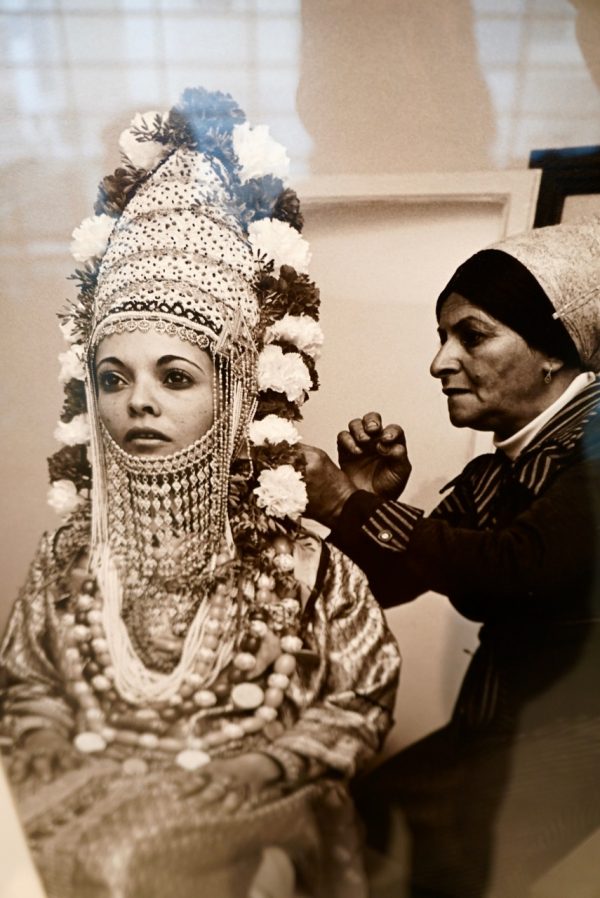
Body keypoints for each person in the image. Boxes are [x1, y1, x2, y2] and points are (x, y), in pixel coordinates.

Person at [0, 88, 400, 898]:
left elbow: (358, 700)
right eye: (114, 378)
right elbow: (28, 681)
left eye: (175, 377)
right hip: (80, 789)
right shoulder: (69, 553)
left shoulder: (305, 568)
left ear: (234, 395)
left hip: (253, 802)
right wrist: (44, 744)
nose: (138, 402)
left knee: (129, 863)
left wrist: (259, 768)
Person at [302, 219, 600, 898]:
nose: (440, 362)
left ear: (554, 351)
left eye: (472, 335)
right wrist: (369, 501)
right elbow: (389, 585)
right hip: (495, 738)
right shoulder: (496, 473)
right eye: (443, 338)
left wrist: (346, 505)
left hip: (576, 751)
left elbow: (517, 566)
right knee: (337, 832)